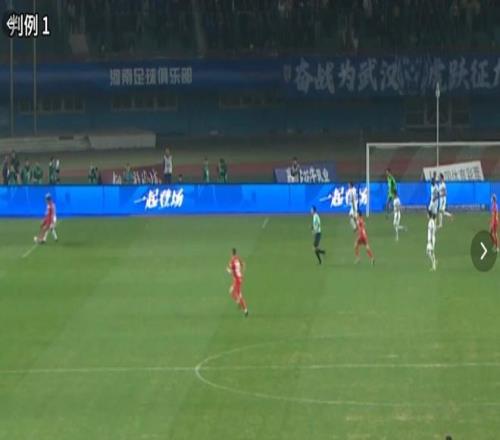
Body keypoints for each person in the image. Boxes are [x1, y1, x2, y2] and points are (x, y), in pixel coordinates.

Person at [226, 248, 248, 317]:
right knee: (231, 291)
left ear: (231, 253)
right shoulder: (238, 258)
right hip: (239, 278)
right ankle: (238, 302)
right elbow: (244, 264)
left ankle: (245, 310)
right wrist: (241, 272)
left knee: (239, 295)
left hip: (237, 280)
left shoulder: (232, 261)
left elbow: (232, 272)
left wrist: (228, 270)